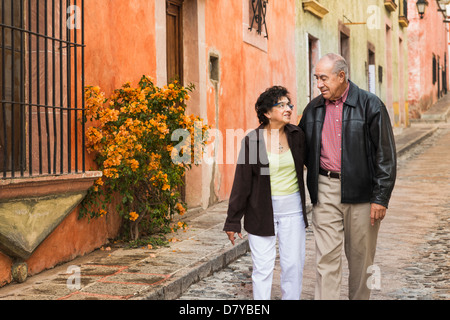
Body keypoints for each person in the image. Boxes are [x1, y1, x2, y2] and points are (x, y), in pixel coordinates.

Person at [298, 53, 397, 300]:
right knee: (325, 260)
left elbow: (386, 156)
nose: (319, 84)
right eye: (316, 78)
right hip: (325, 189)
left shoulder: (371, 105)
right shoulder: (312, 109)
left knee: (361, 262)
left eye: (323, 78)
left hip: (363, 194)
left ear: (341, 76)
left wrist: (380, 198)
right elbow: (298, 147)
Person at [223, 86, 308, 300]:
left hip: (293, 213)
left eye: (289, 104)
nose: (288, 108)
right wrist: (233, 220)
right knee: (262, 269)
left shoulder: (297, 136)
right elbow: (242, 182)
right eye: (281, 105)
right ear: (267, 113)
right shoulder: (253, 141)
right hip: (261, 211)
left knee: (293, 267)